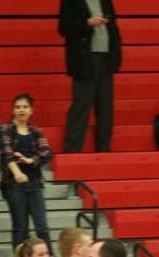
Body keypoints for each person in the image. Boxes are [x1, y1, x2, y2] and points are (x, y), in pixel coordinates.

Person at [59, 0, 121, 153]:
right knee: (81, 108)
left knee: (105, 109)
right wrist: (88, 22)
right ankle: (72, 153)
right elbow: (64, 28)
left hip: (106, 59)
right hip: (85, 60)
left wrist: (116, 56)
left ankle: (104, 152)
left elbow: (113, 28)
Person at [0, 94, 54, 255]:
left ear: (31, 110)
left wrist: (31, 161)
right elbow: (7, 153)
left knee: (42, 226)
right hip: (14, 183)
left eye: (25, 107)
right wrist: (17, 173)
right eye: (18, 107)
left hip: (35, 182)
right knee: (20, 227)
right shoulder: (5, 130)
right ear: (13, 110)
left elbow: (48, 152)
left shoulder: (36, 131)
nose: (21, 110)